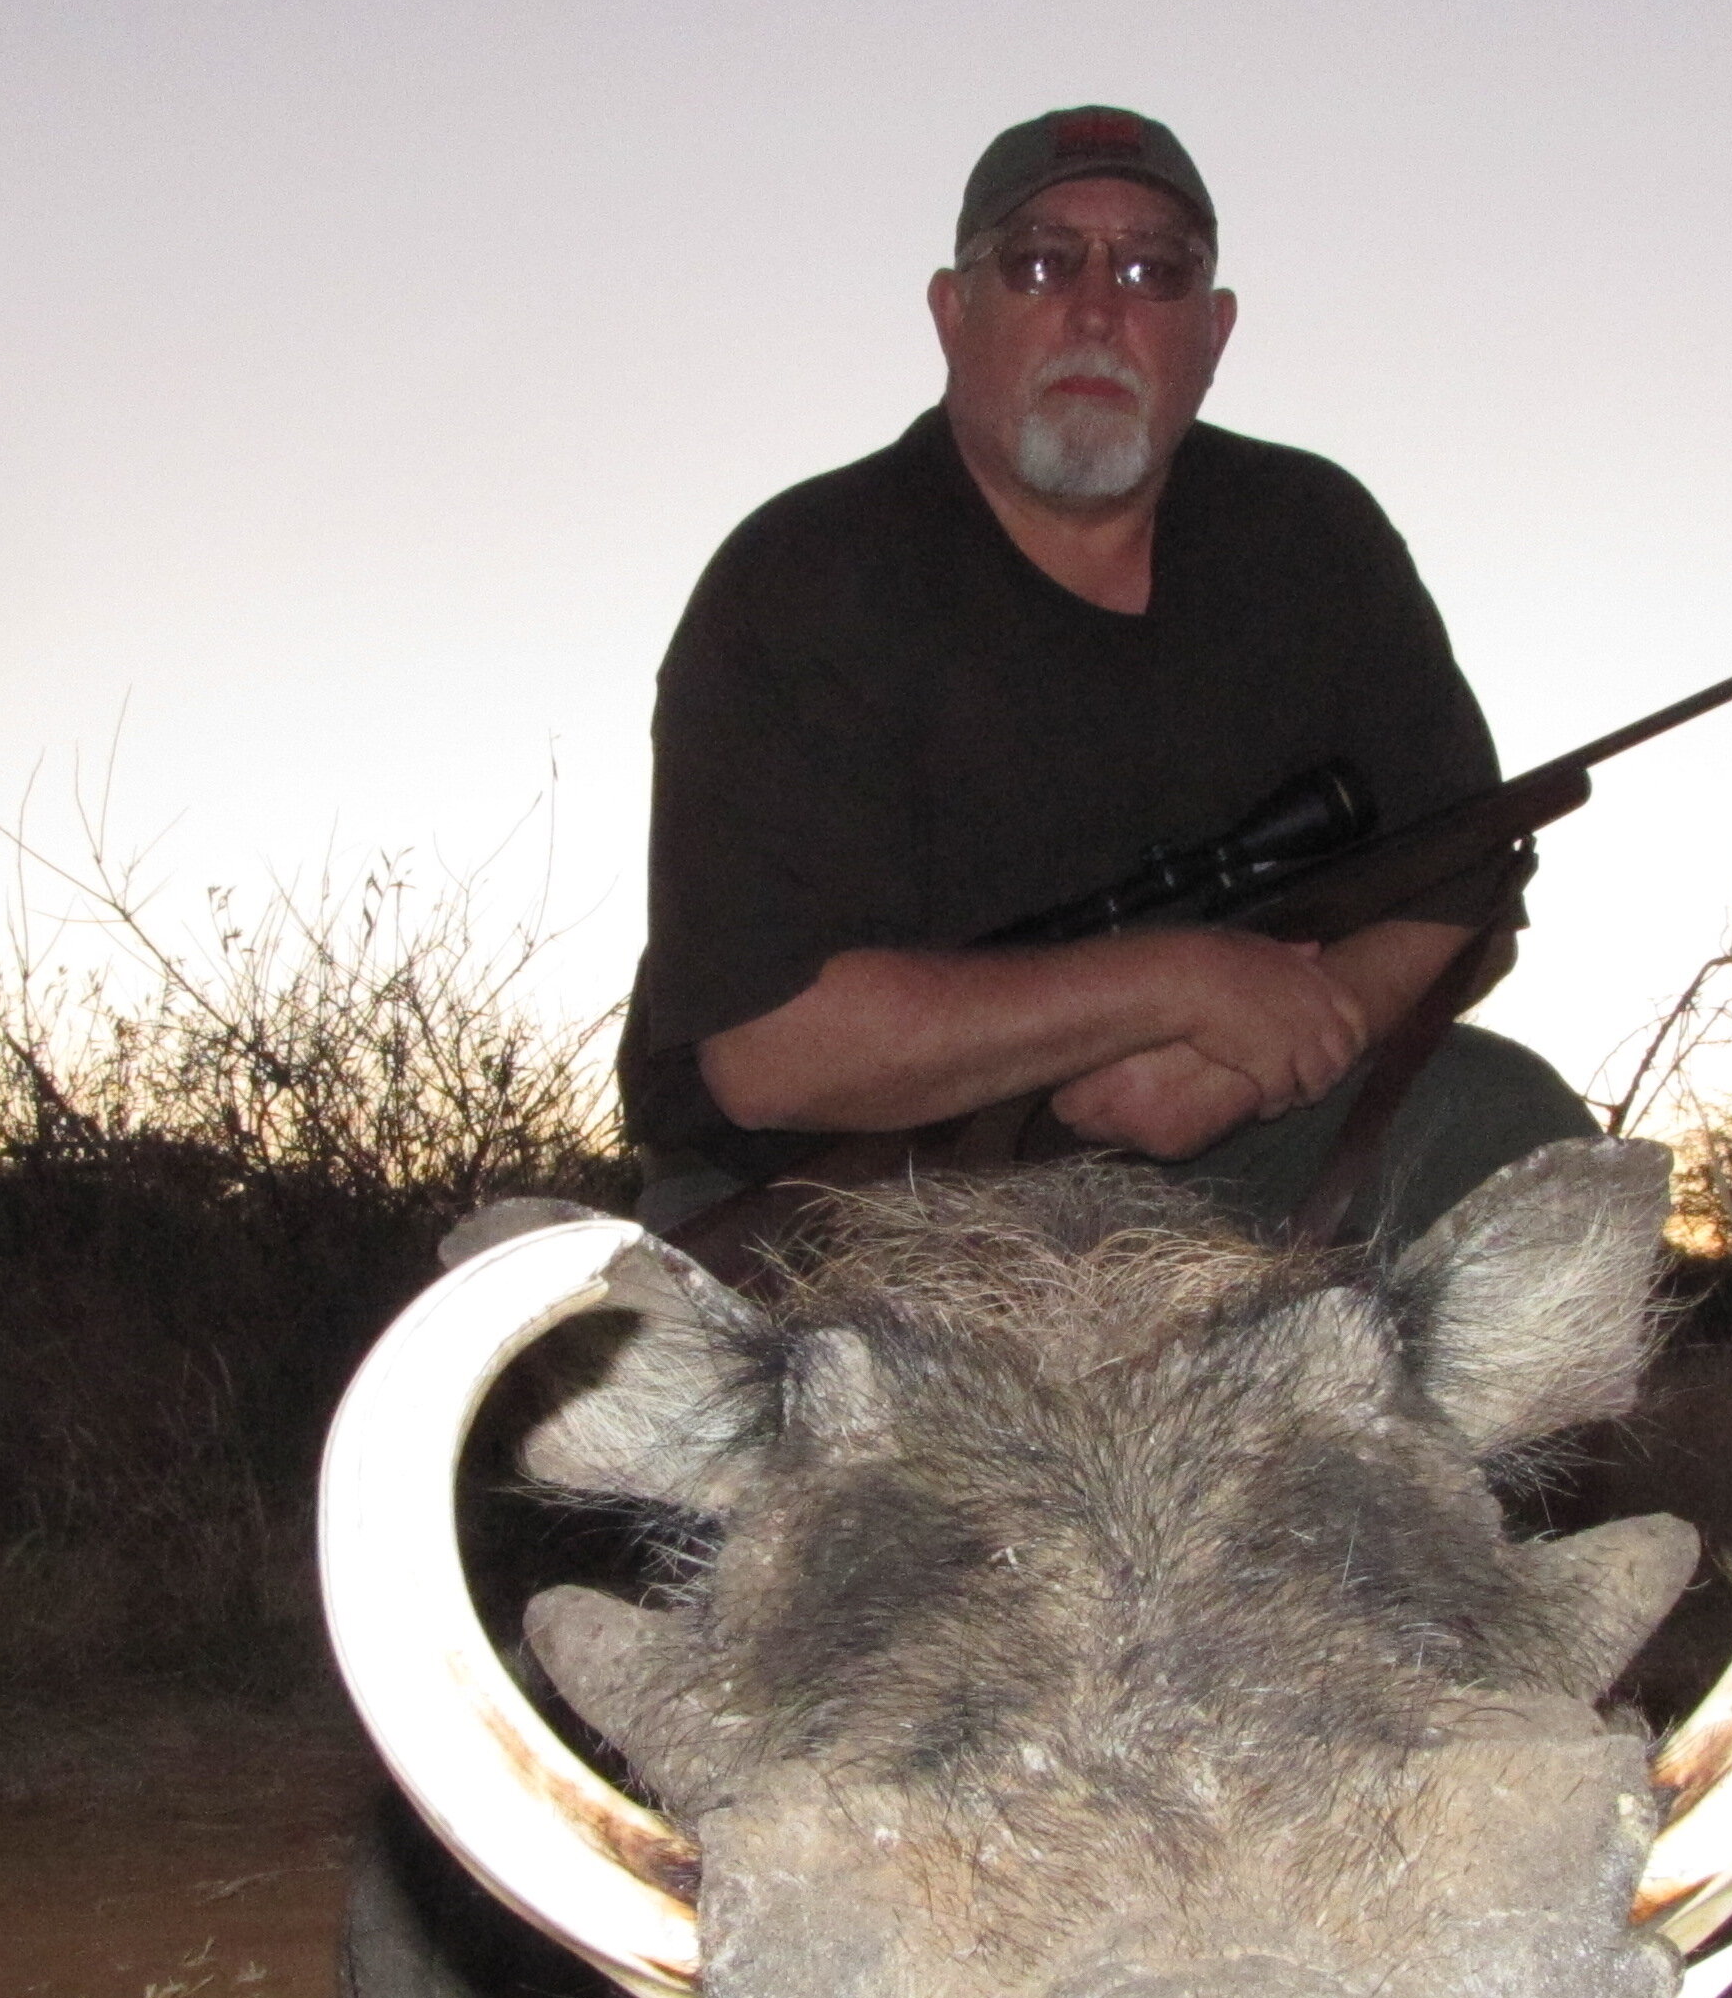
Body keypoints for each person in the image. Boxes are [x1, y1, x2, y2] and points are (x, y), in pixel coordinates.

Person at [617, 104, 1594, 1246]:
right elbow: (774, 1055)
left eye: (1151, 271)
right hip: (834, 1186)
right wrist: (1175, 984)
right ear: (952, 311)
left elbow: (1462, 892)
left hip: (1231, 1144)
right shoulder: (798, 577)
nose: (1095, 309)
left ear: (1214, 332)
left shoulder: (1315, 536)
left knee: (1517, 1142)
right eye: (1037, 263)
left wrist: (1262, 1058)